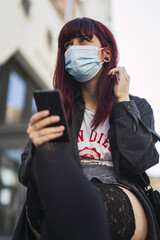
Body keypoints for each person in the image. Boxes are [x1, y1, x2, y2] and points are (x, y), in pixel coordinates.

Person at [12, 17, 160, 240]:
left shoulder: (137, 106)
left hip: (119, 193)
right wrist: (38, 146)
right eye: (67, 45)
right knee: (58, 195)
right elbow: (26, 175)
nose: (73, 50)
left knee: (84, 206)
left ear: (106, 53)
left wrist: (123, 102)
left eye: (83, 40)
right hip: (62, 192)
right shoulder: (58, 108)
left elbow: (140, 161)